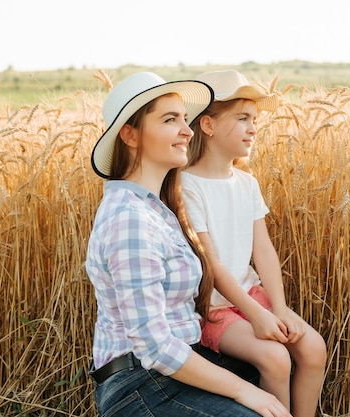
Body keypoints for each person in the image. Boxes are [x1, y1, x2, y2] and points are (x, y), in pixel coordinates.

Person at [86, 71, 291, 417]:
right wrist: (246, 392)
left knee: (283, 362)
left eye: (185, 119)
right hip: (142, 386)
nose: (188, 130)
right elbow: (155, 347)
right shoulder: (130, 218)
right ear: (130, 135)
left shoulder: (159, 208)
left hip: (178, 368)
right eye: (170, 120)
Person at [181, 70, 327, 417]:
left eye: (255, 120)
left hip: (255, 295)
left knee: (314, 348)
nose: (253, 127)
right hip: (214, 308)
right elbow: (211, 265)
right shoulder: (187, 185)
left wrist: (277, 307)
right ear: (208, 125)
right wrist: (255, 315)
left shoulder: (246, 183)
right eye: (242, 118)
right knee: (276, 357)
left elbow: (263, 251)